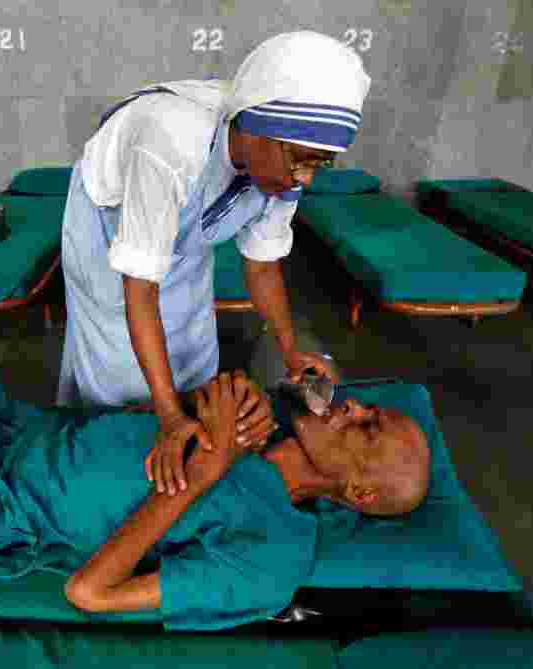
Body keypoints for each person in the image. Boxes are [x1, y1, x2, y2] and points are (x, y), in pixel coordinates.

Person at [0, 233, 429, 630]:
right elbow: (145, 431)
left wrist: (207, 470)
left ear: (359, 494)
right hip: (11, 424)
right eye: (368, 407)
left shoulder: (273, 558)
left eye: (367, 428)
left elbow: (91, 592)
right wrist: (203, 405)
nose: (351, 407)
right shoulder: (268, 417)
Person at [57, 31, 372, 494]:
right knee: (120, 364)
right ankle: (102, 466)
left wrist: (290, 350)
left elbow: (262, 265)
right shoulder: (170, 140)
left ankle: (182, 443)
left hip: (184, 229)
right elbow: (139, 288)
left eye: (319, 164)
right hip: (107, 228)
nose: (303, 177)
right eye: (301, 161)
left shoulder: (286, 166)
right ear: (259, 132)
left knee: (190, 337)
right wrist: (167, 417)